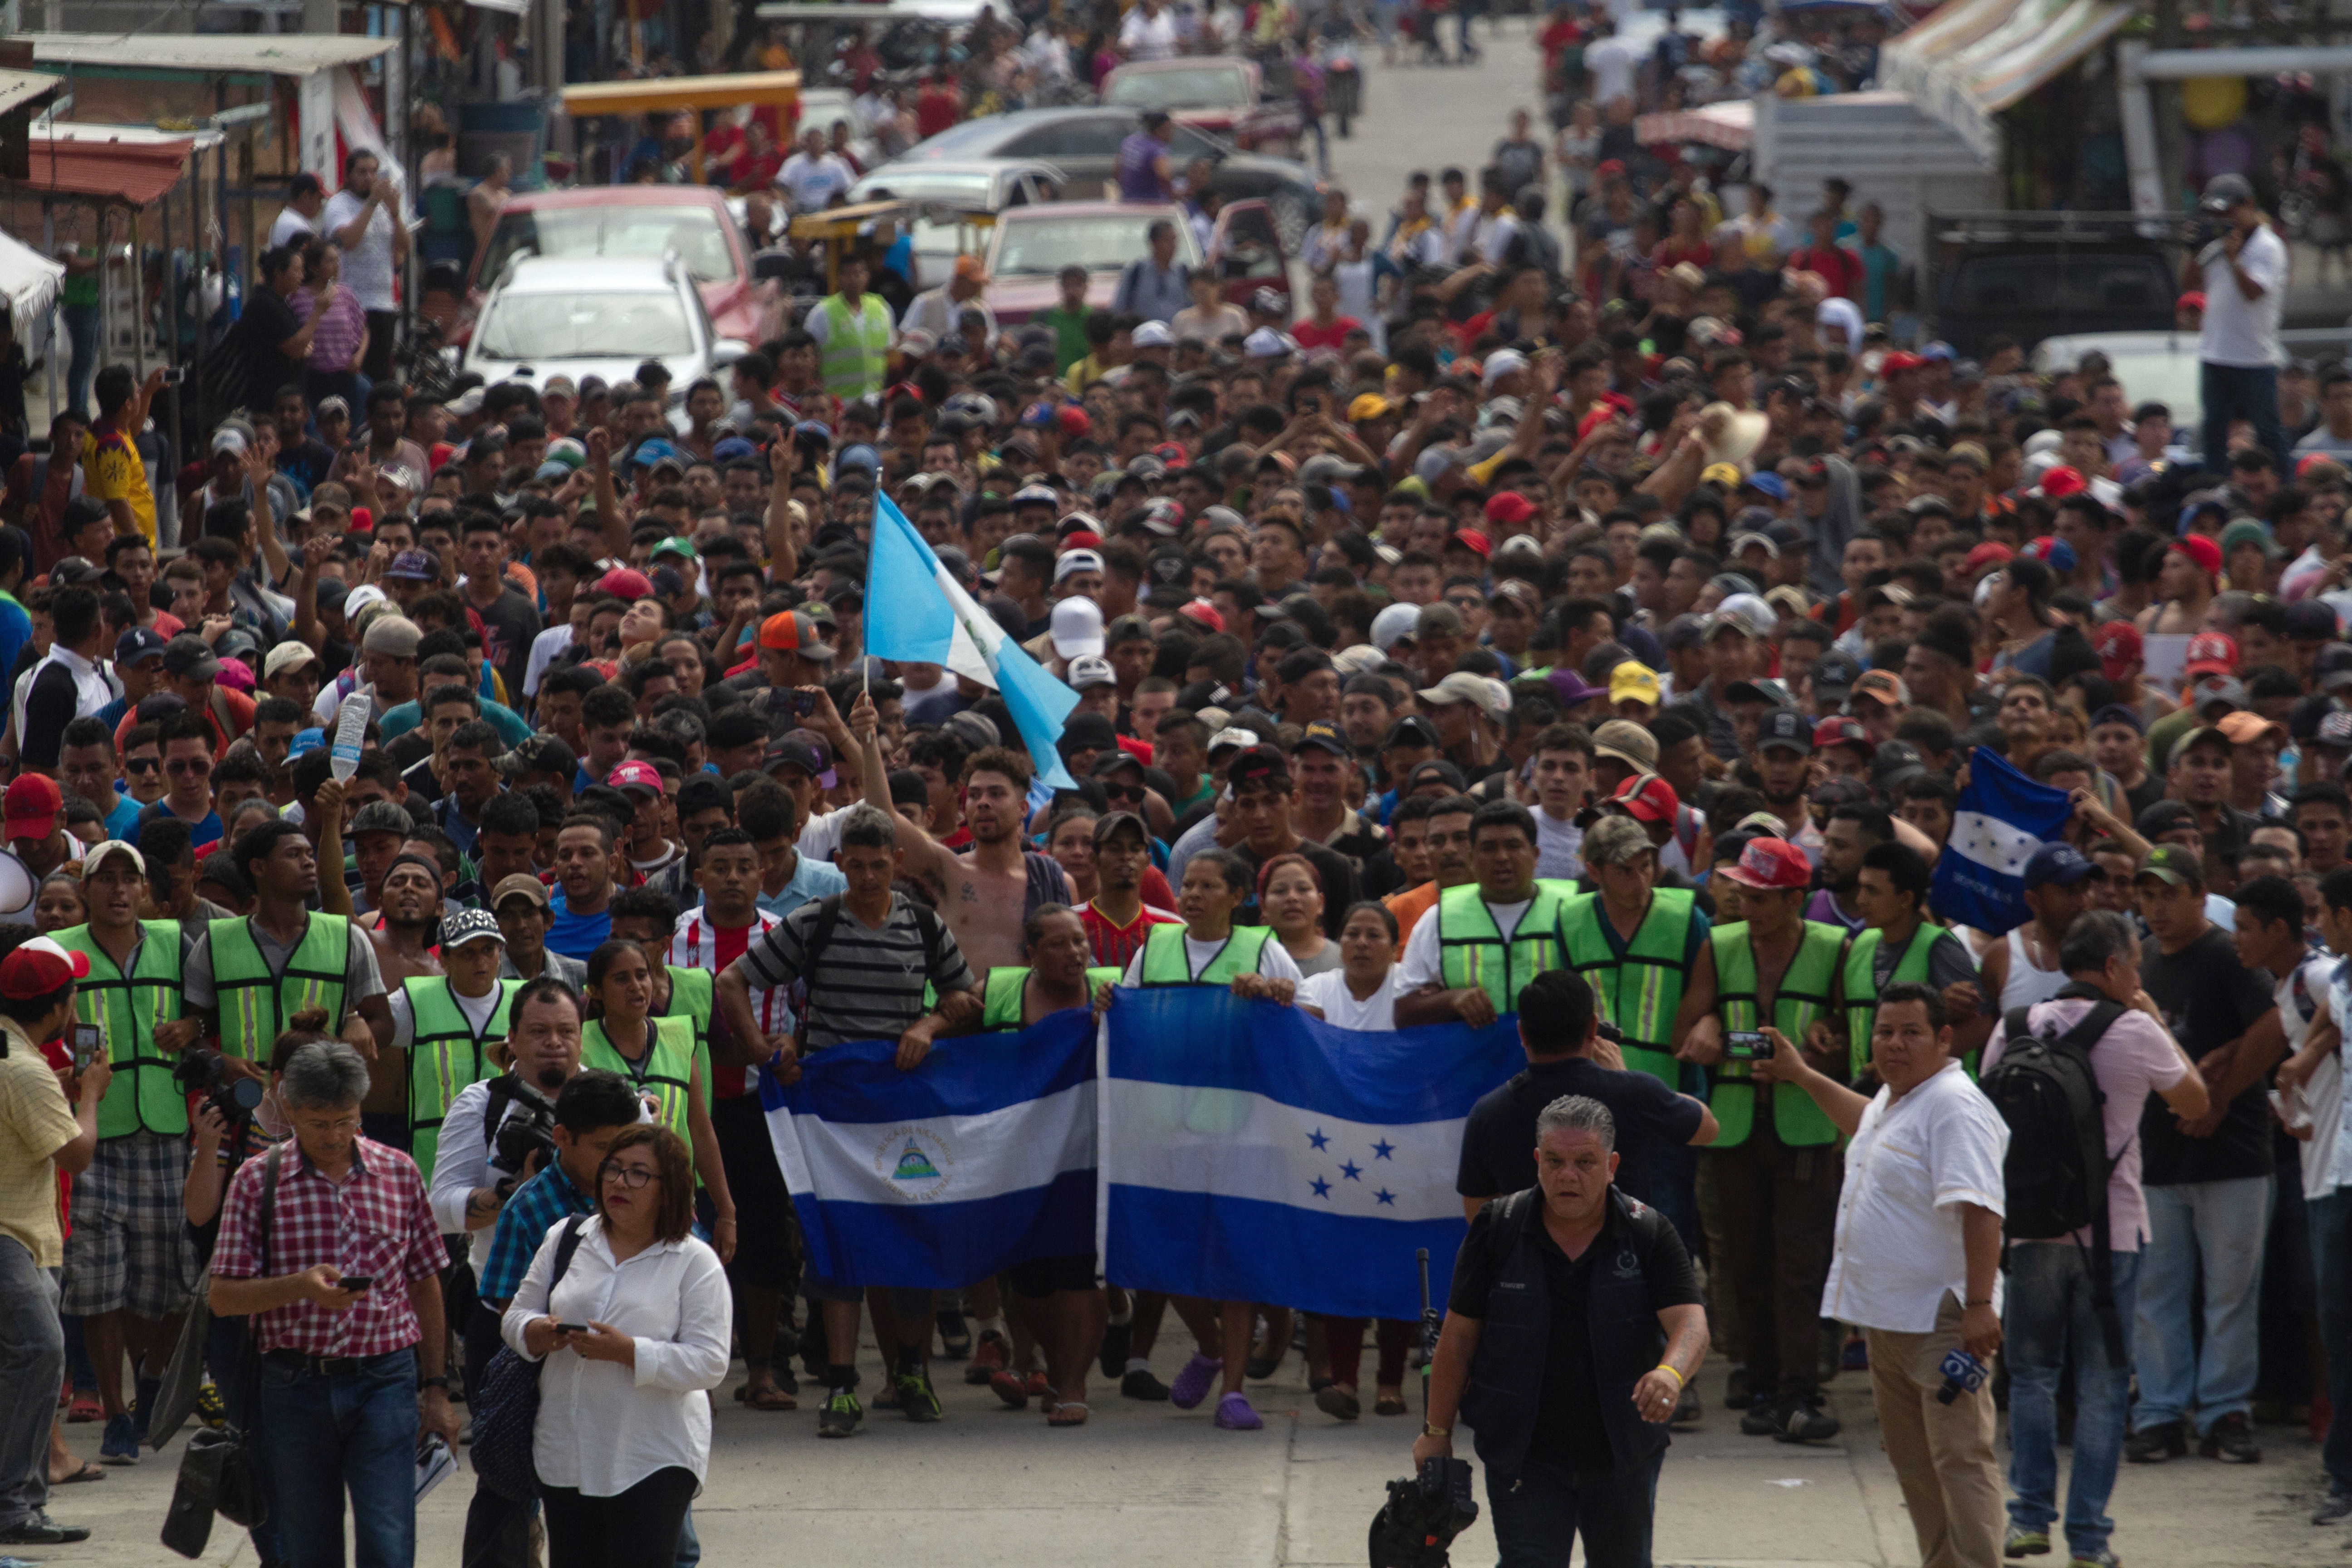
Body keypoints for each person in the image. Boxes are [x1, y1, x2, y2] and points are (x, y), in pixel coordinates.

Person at [718, 804, 980, 1437]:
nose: (867, 877)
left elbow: (968, 997)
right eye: (855, 866)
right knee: (833, 1243)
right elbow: (732, 982)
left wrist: (929, 1024)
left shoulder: (921, 923)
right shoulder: (818, 922)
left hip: (902, 1107)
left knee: (907, 1239)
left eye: (877, 865)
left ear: (895, 863)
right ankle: (841, 1386)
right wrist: (764, 1049)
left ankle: (912, 1373)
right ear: (840, 865)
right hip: (830, 1109)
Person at [1755, 983, 2010, 1568]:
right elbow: (1863, 1120)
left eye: (1911, 1033)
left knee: (1960, 1460)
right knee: (1915, 1464)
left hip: (1945, 1320)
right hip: (1888, 1321)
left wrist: (1978, 1306)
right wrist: (1801, 1074)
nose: (1894, 1045)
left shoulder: (1954, 1106)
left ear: (1945, 1039)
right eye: (1885, 1032)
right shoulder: (1899, 1099)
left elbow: (1981, 1210)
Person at [1981, 910, 2208, 1564]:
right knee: (2105, 1385)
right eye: (2134, 964)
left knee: (2031, 1377)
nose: (2139, 976)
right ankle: (2088, 1539)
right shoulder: (2135, 1029)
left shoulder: (2013, 1027)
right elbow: (2193, 1104)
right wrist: (2158, 1021)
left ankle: (2027, 1518)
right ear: (2112, 967)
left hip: (2030, 1231)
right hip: (2112, 1234)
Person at [1416, 1095, 1709, 1568]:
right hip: (1525, 1456)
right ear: (1538, 1161)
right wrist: (1435, 1432)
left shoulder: (1649, 1231)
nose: (1568, 1175)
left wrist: (1670, 1375)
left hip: (1622, 1457)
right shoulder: (1498, 1229)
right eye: (1555, 1161)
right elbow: (1458, 1338)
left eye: (1585, 1163)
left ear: (1612, 1165)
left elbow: (1691, 1322)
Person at [206, 1035, 458, 1568]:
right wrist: (299, 1286)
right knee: (309, 1546)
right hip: (293, 1388)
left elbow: (426, 1284)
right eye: (319, 1123)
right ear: (289, 1109)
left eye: (346, 1120)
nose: (335, 1136)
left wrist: (435, 1388)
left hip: (385, 1381)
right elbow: (224, 1297)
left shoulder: (399, 1173)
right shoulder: (257, 1181)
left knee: (389, 1541)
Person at [1457, 964, 1717, 1418]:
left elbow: (1478, 1212)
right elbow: (1706, 1127)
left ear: (1522, 1033)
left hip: (1525, 1297)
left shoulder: (1490, 1112)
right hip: (1623, 1286)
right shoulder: (1632, 1092)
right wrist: (1622, 1076)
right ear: (1593, 1028)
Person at [1109, 846, 1303, 1429]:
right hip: (1165, 1124)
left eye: (1207, 886)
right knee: (1166, 1255)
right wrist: (1106, 1004)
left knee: (1235, 1257)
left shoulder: (1264, 948)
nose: (1191, 895)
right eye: (1186, 884)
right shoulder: (1156, 945)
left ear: (1238, 897)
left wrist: (1275, 994)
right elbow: (1130, 1015)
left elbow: (1311, 1016)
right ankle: (1211, 1346)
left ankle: (1234, 1393)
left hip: (1241, 1126)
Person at [1668, 835, 1852, 1441]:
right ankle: (1760, 1379)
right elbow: (1681, 1030)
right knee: (1744, 1264)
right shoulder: (1718, 946)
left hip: (1804, 1128)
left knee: (1799, 1264)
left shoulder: (1833, 947)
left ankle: (1798, 1391)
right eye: (1743, 889)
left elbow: (1855, 1031)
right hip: (1736, 1128)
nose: (1746, 901)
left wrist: (1829, 1034)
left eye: (1762, 894)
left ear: (1797, 898)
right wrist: (1710, 1022)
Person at [504, 1124, 730, 1568]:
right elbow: (515, 1317)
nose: (620, 1183)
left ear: (671, 1189)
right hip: (565, 1449)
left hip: (652, 1457)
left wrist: (629, 1352)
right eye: (614, 1170)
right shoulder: (566, 1238)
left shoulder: (694, 1261)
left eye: (639, 1174)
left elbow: (710, 1363)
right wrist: (536, 1332)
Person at [2126, 844, 2283, 1465]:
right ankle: (2161, 1411)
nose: (2157, 907)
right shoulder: (2143, 963)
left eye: (2170, 893)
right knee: (2157, 1292)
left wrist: (2218, 1098)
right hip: (2159, 1156)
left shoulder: (2225, 954)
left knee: (2231, 1291)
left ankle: (2224, 1410)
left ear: (2199, 896)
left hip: (2234, 1154)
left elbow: (2273, 1023)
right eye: (2148, 895)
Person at [460, 1058, 643, 1568]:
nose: (620, 1165)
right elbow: (505, 1304)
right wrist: (544, 1328)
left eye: (628, 1145)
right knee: (509, 1499)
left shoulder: (651, 1195)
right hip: (538, 1375)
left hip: (628, 1384)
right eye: (606, 1149)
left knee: (666, 1534)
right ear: (562, 1137)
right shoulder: (528, 1208)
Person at [53, 841, 198, 1466]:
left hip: (166, 1129)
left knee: (171, 1284)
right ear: (85, 890)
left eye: (128, 879)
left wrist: (192, 1027)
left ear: (145, 890)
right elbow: (48, 1029)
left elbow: (207, 1011)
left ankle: (156, 1376)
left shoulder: (178, 944)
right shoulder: (65, 953)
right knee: (99, 1284)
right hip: (95, 1131)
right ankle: (116, 1411)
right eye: (104, 879)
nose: (117, 890)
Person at [966, 903, 1117, 1424]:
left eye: (1079, 941)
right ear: (1031, 953)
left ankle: (1073, 1383)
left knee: (1081, 1272)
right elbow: (953, 1027)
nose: (1075, 953)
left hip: (1089, 1158)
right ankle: (1055, 1370)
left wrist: (1120, 1018)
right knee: (1030, 1280)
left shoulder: (1113, 990)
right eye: (1058, 944)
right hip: (1022, 1161)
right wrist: (926, 1032)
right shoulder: (999, 992)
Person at [0, 934, 107, 1548]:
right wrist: (89, 1098)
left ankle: (17, 1499)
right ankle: (15, 1504)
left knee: (23, 1359)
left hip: (20, 1232)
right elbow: (78, 1155)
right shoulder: (25, 1069)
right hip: (11, 1233)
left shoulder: (17, 1060)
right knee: (41, 1353)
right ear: (62, 1004)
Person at [1396, 800, 1572, 1028]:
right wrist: (1450, 1000)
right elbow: (1401, 1012)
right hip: (1472, 1060)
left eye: (1513, 845)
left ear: (1536, 855)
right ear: (1472, 858)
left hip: (1554, 1059)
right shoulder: (1438, 919)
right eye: (1489, 848)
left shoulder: (1570, 910)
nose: (1502, 857)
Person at [385, 908, 514, 1183]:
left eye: (488, 950)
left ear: (500, 954)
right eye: (467, 953)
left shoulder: (525, 1001)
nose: (480, 961)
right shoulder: (415, 1000)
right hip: (436, 1159)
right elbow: (366, 1030)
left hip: (507, 1156)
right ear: (444, 959)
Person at [2185, 173, 2290, 475]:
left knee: (2268, 432)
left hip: (2253, 357)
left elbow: (2253, 293)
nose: (2224, 220)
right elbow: (2190, 284)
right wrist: (2192, 249)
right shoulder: (2218, 244)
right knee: (2214, 430)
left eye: (2229, 212)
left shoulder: (2267, 247)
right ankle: (2217, 485)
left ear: (2248, 205)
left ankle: (2281, 486)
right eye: (2217, 214)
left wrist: (2234, 260)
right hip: (2215, 353)